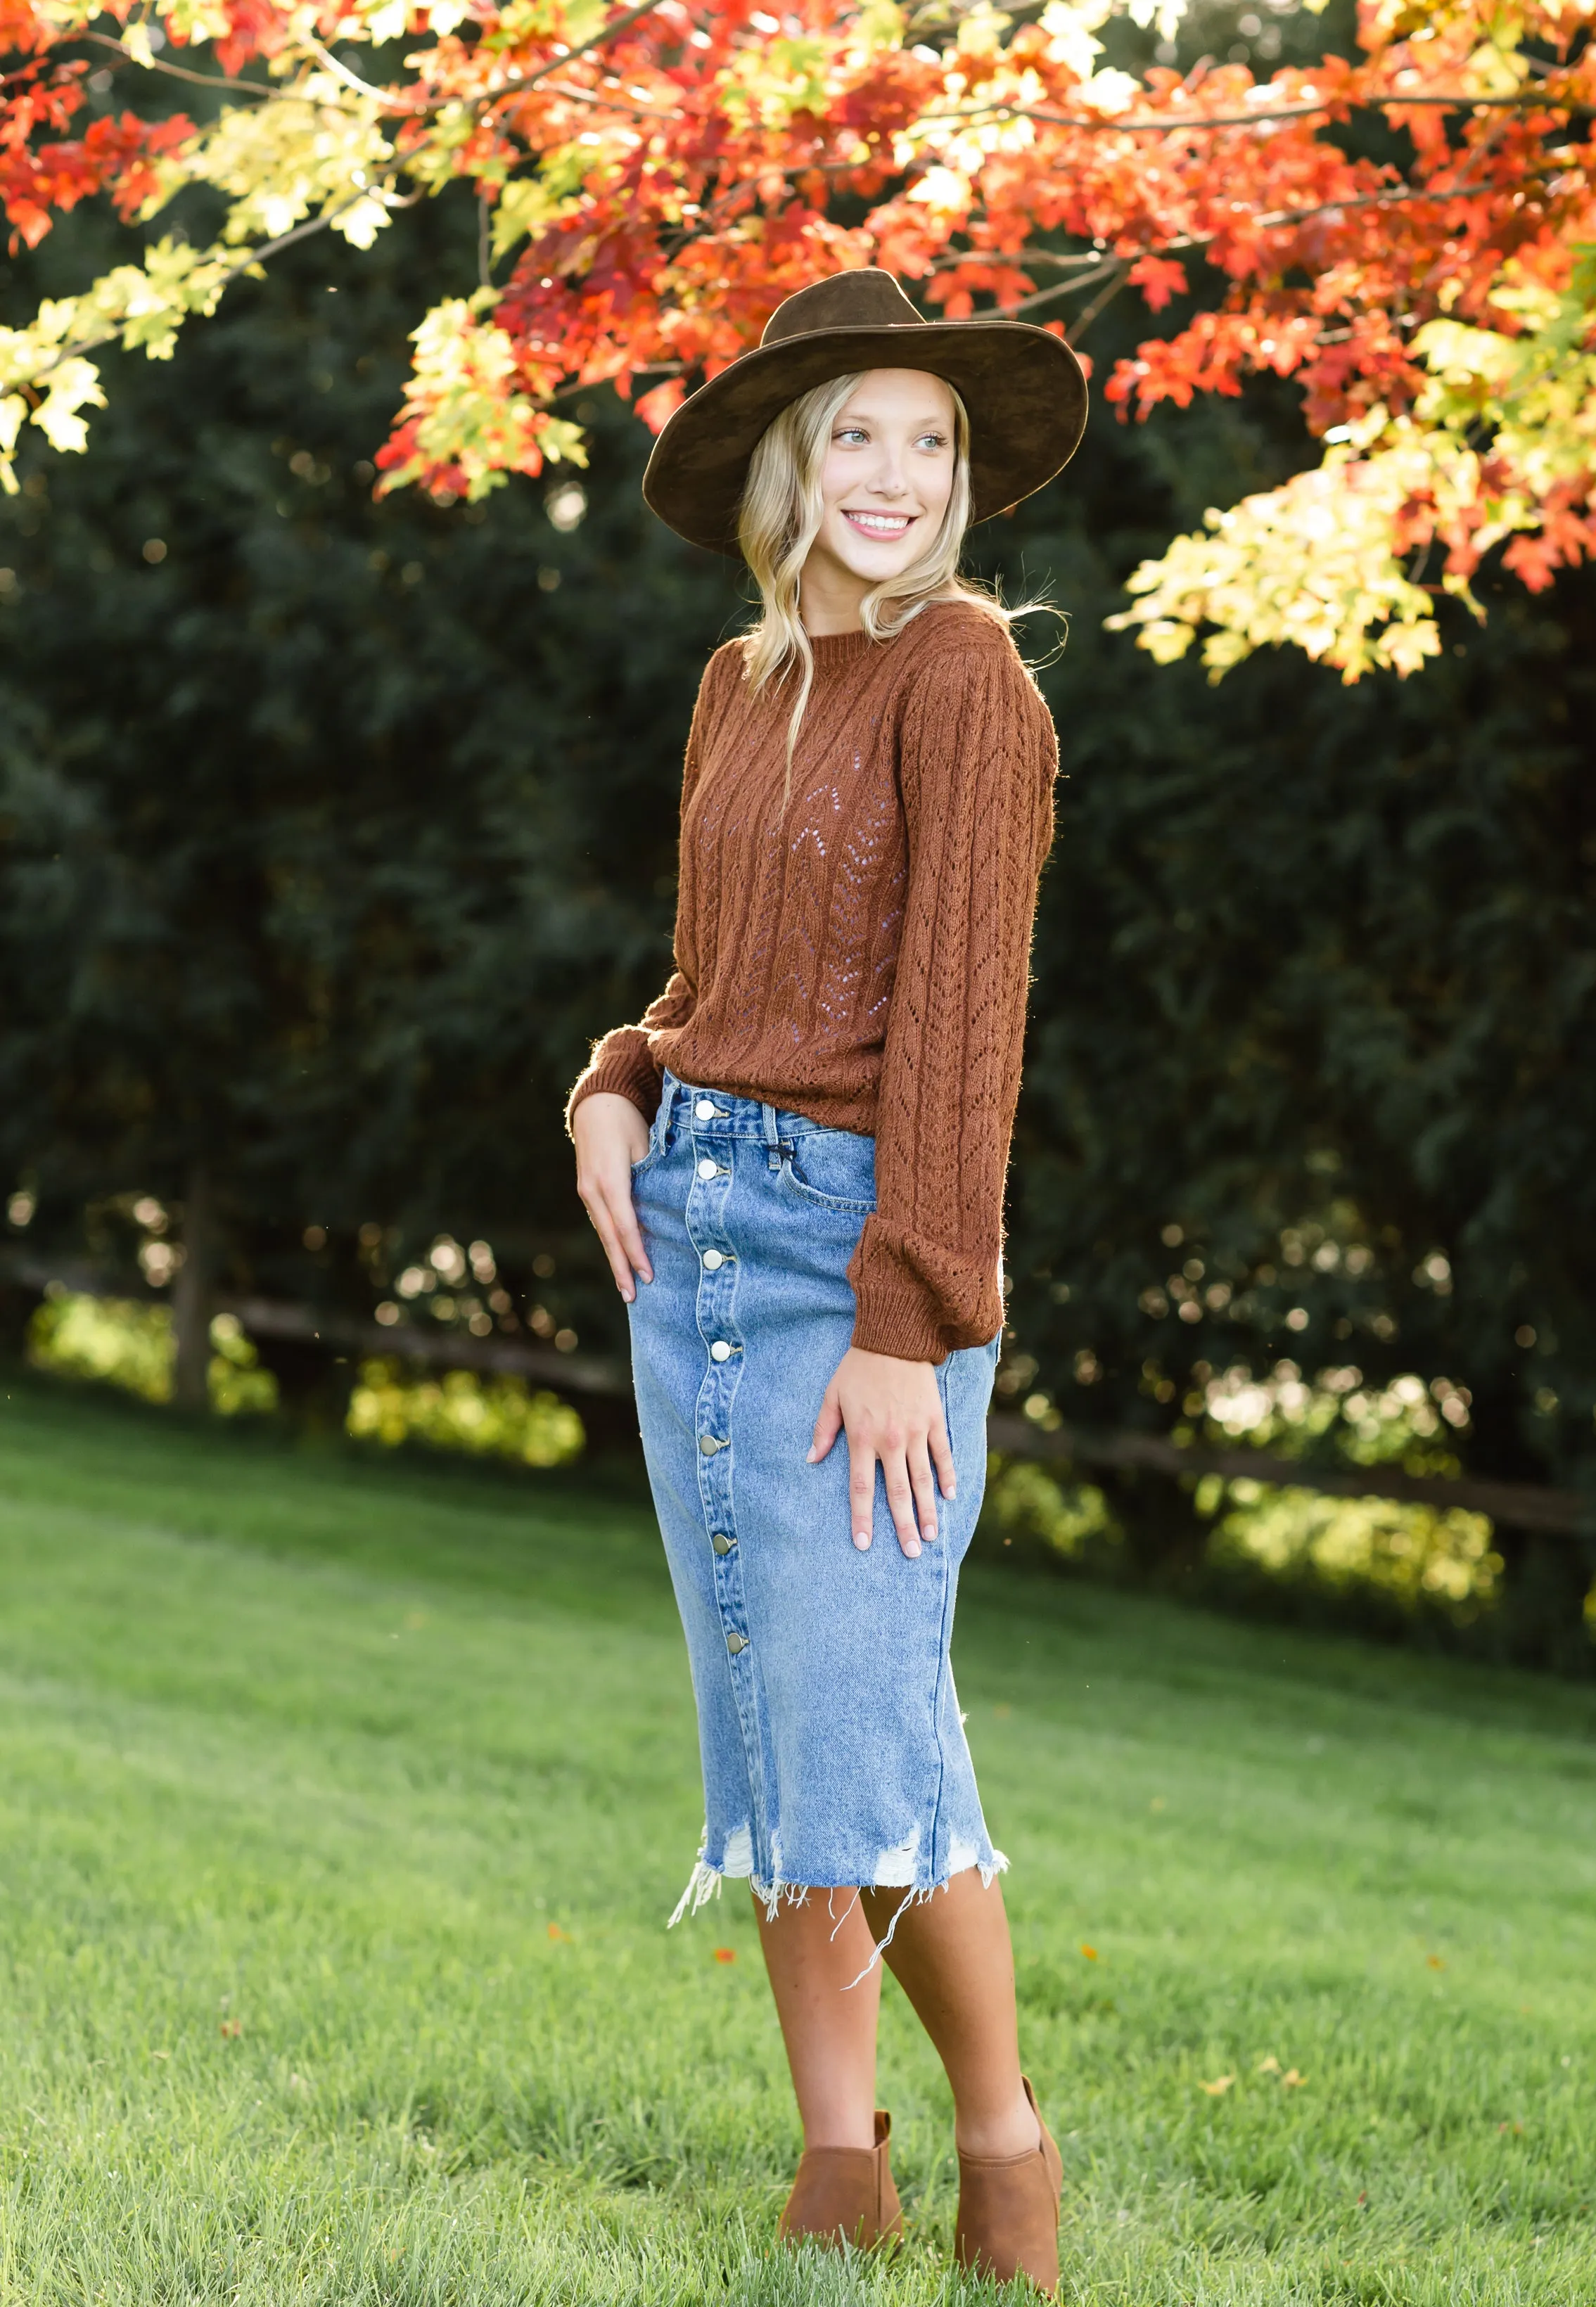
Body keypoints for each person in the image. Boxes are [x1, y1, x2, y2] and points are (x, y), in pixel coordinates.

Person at [566, 267, 1085, 2294]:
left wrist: (904, 1320)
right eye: (853, 432)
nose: (891, 473)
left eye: (926, 440)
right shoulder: (740, 679)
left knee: (867, 1726)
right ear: (788, 461)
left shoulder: (969, 678)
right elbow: (713, 988)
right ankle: (832, 2170)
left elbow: (964, 1033)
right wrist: (612, 1080)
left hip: (859, 1259)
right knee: (770, 1724)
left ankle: (1003, 2148)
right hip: (685, 1238)